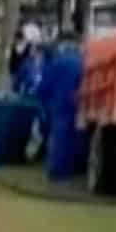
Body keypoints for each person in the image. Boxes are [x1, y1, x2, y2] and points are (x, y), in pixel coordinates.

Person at [35, 29, 86, 181]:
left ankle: (57, 172)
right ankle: (75, 168)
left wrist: (40, 98)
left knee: (59, 137)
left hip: (59, 104)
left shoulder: (57, 61)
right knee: (76, 137)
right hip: (78, 104)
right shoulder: (83, 61)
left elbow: (45, 86)